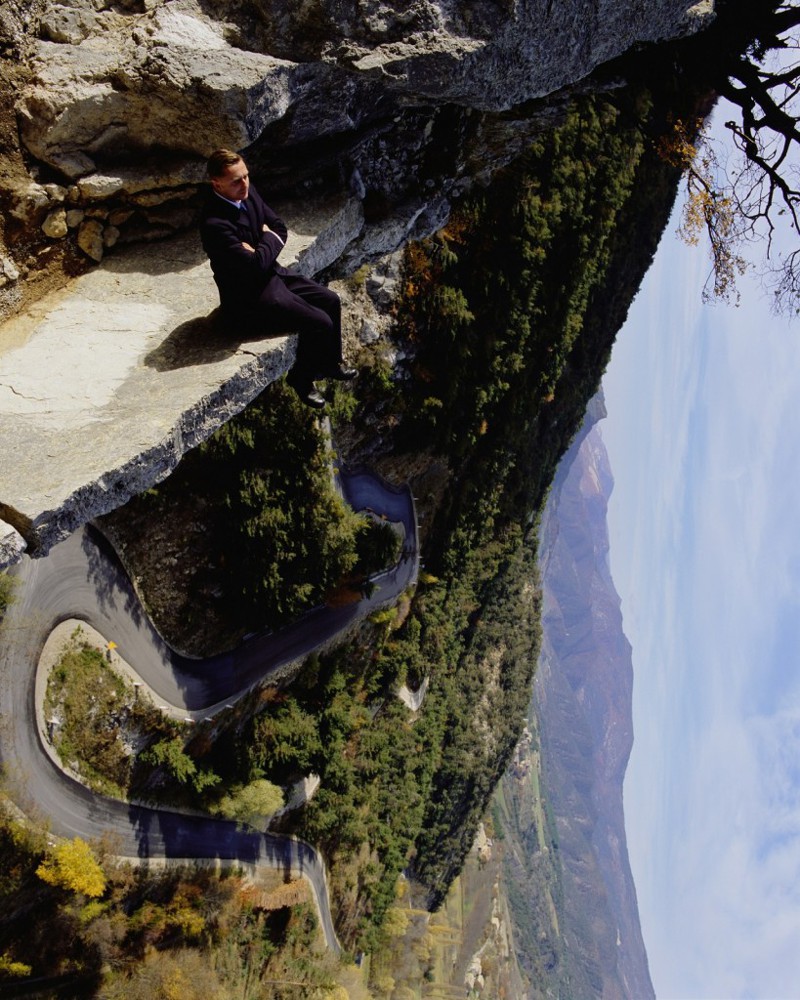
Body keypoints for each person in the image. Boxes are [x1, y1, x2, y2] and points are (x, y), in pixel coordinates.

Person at [199, 148, 356, 408]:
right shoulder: (215, 223)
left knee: (330, 300)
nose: (244, 184)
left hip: (272, 274)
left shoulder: (248, 195)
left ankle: (330, 363)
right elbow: (257, 262)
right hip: (250, 297)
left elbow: (280, 228)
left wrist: (264, 243)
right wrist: (268, 238)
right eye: (236, 181)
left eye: (246, 176)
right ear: (216, 184)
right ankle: (301, 379)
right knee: (320, 322)